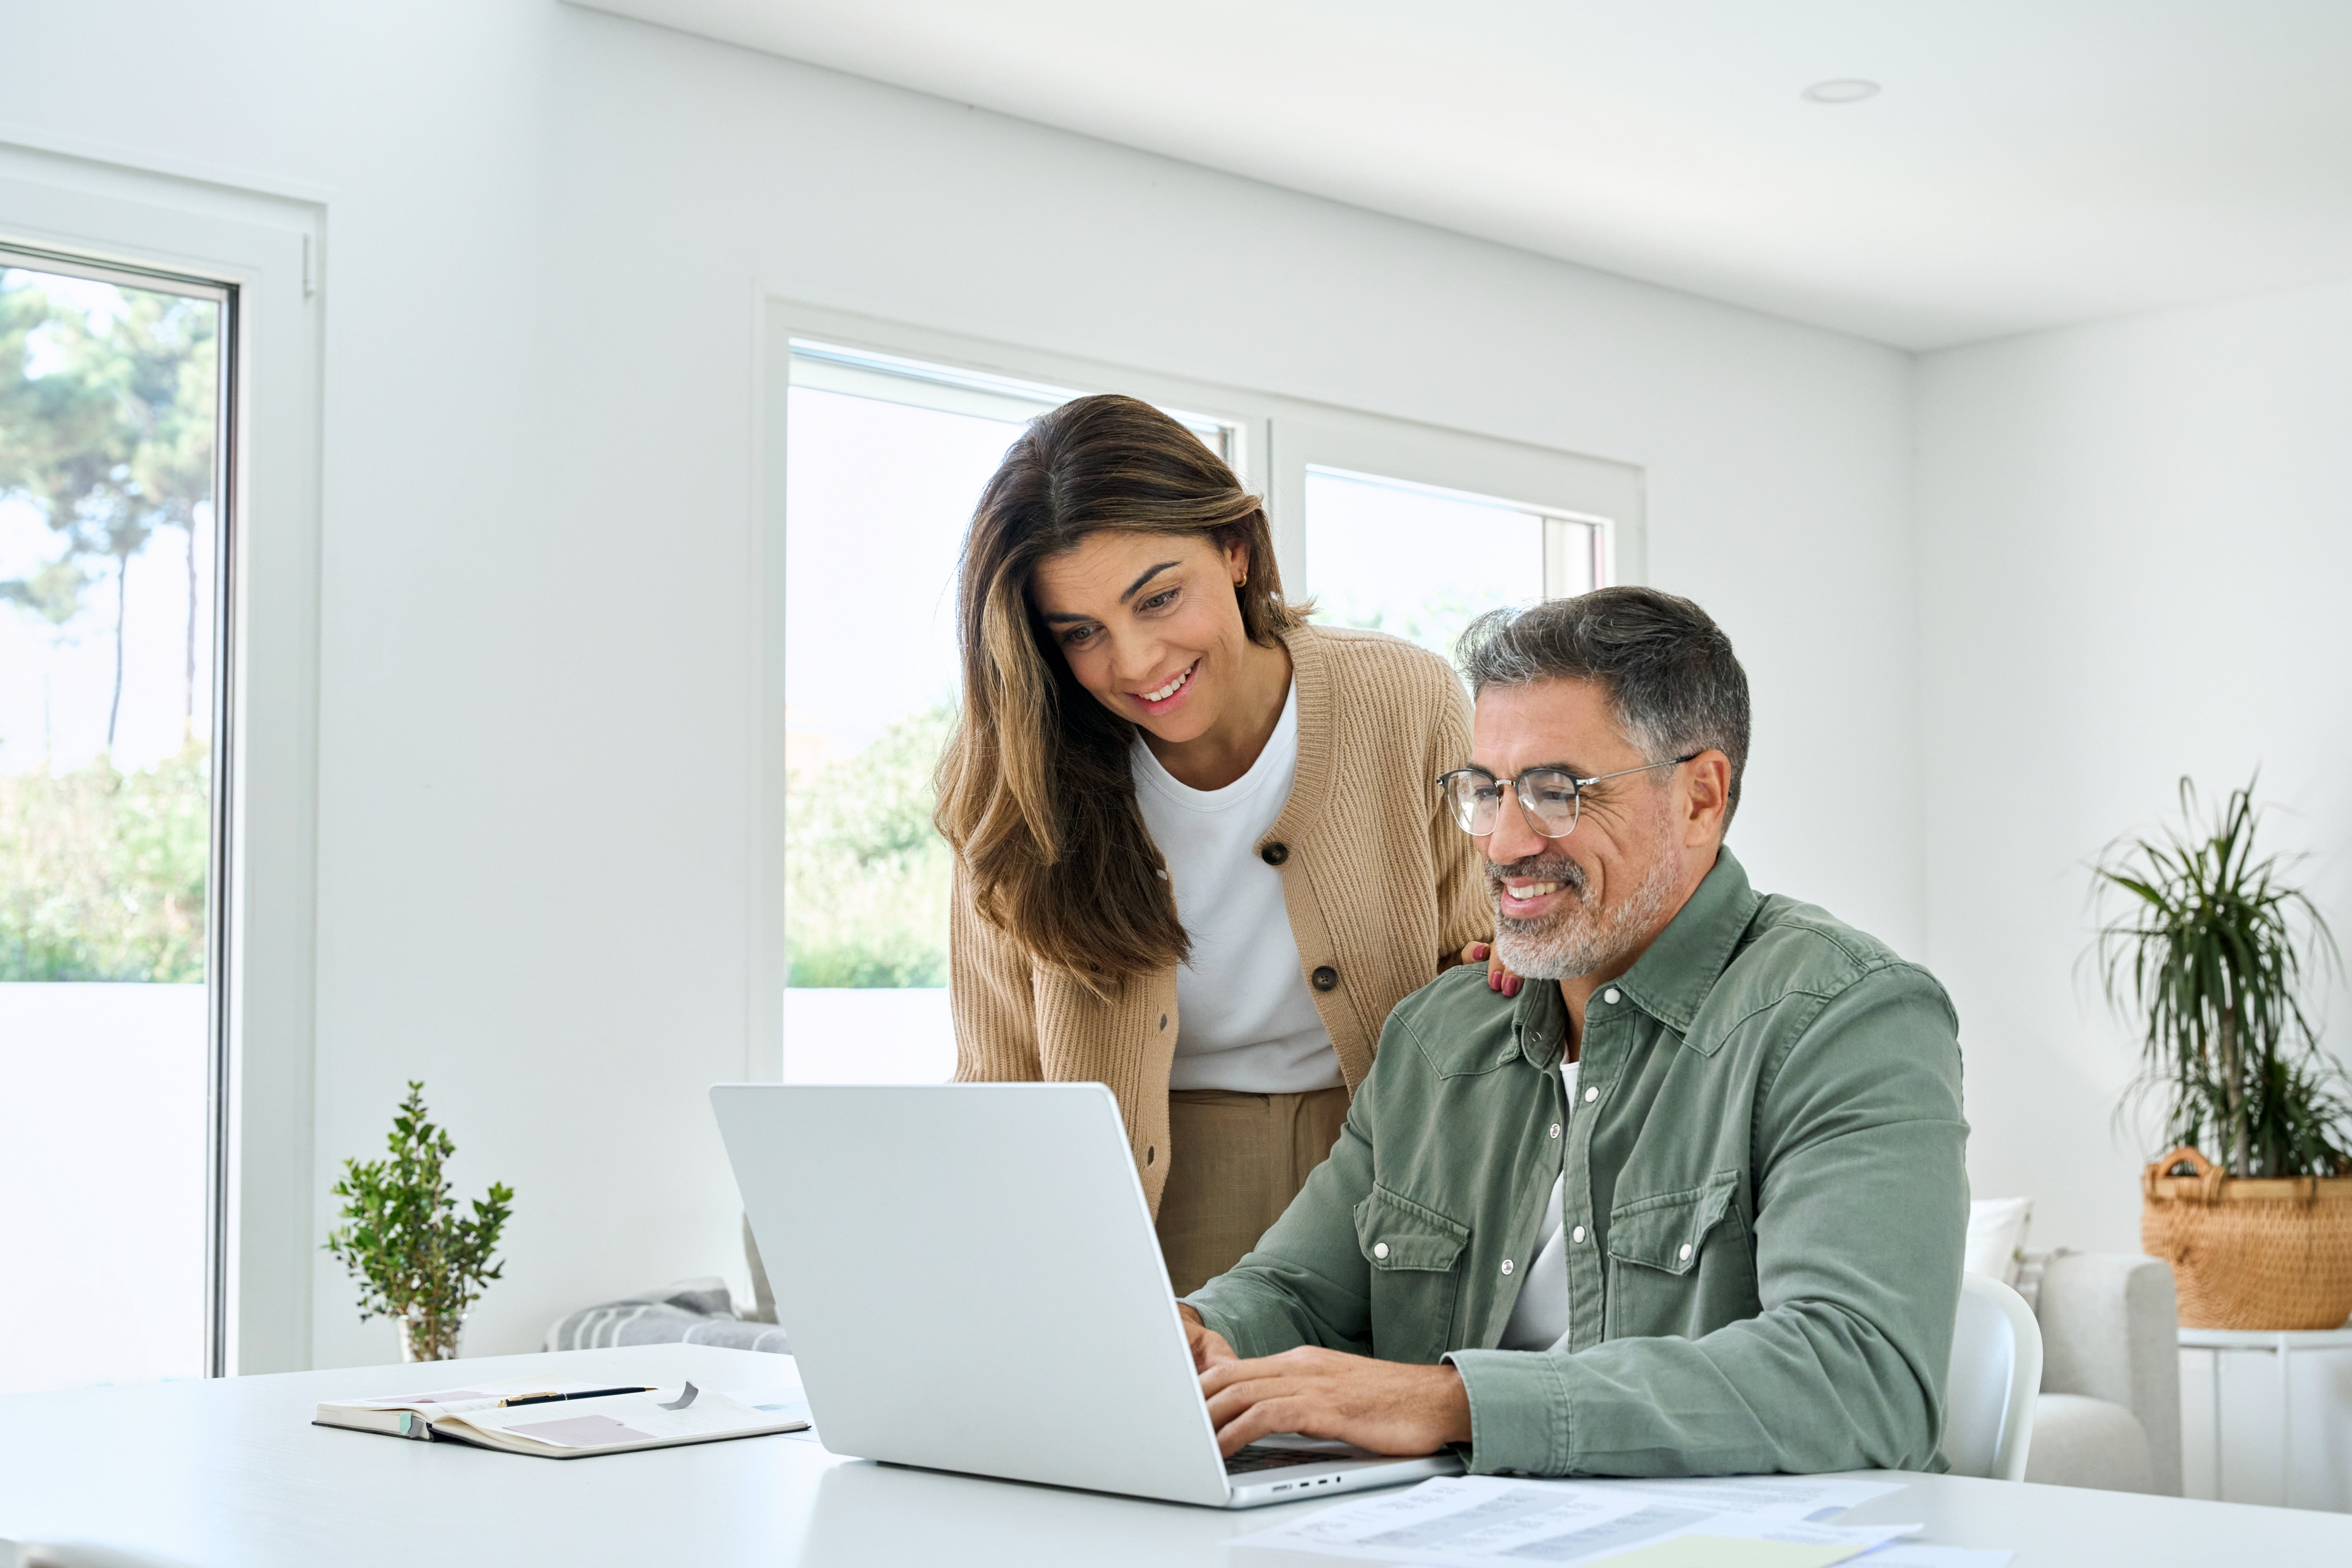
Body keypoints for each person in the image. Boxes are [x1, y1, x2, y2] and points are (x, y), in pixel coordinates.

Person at [1178, 586, 1969, 1477]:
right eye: (1485, 790)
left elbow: (1861, 1383)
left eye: (1558, 792)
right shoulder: (1441, 1037)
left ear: (1701, 798)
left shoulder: (1846, 1016)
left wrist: (1448, 1403)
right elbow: (1296, 1291)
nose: (1505, 842)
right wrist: (1197, 1332)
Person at [937, 394, 1500, 1294]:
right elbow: (1001, 1074)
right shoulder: (1014, 773)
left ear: (1236, 549)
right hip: (1141, 1198)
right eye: (1080, 633)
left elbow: (1477, 971)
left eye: (1158, 598)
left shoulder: (1407, 699)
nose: (1135, 664)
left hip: (1384, 1176)